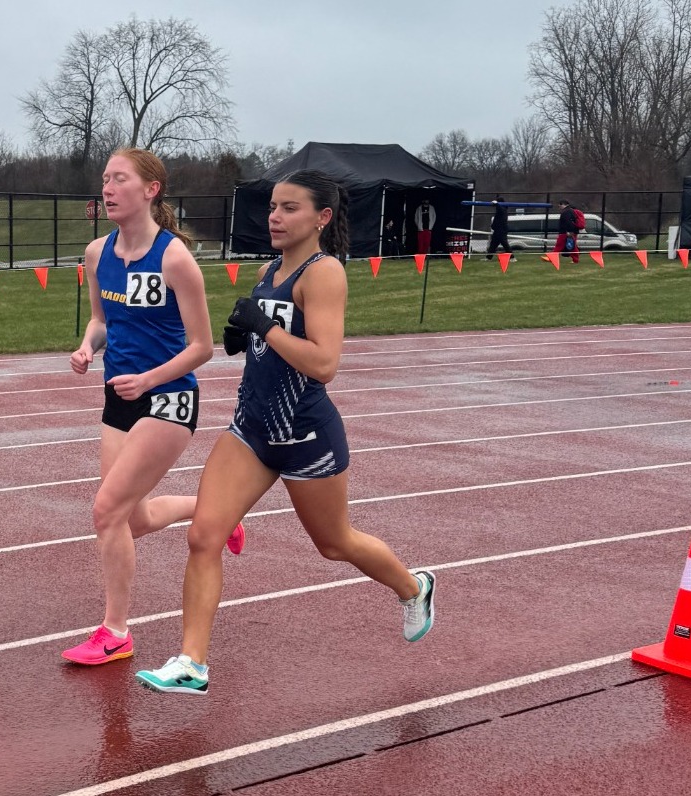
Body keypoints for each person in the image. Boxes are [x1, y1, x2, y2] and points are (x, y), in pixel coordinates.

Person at [134, 170, 436, 695]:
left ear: (322, 218)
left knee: (335, 543)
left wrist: (265, 327)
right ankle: (191, 662)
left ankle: (414, 587)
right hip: (251, 430)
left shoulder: (324, 274)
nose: (275, 216)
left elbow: (324, 363)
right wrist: (242, 338)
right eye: (273, 207)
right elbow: (267, 344)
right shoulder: (273, 268)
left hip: (304, 434)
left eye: (289, 208)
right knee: (203, 535)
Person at [63, 148, 244, 666]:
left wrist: (149, 379)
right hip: (119, 396)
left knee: (105, 511)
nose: (108, 187)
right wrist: (85, 347)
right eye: (105, 179)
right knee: (131, 519)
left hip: (168, 397)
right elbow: (102, 321)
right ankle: (219, 512)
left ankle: (115, 632)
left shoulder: (174, 259)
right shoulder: (97, 253)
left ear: (150, 189)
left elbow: (202, 347)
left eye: (120, 179)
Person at [555, 199, 581, 264]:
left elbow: (568, 222)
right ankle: (575, 259)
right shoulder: (571, 211)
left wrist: (569, 231)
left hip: (566, 232)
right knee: (572, 246)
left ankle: (552, 257)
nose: (559, 206)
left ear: (564, 204)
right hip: (570, 232)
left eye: (560, 204)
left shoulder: (566, 212)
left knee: (559, 245)